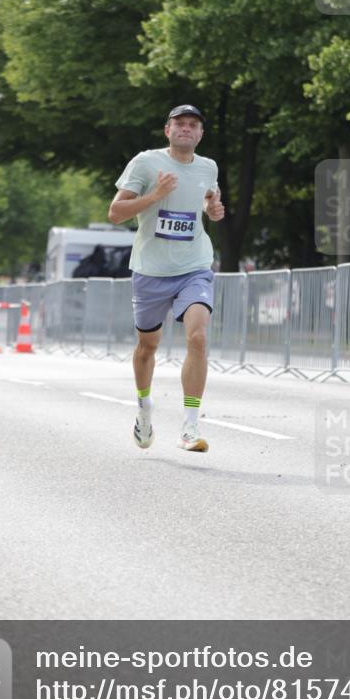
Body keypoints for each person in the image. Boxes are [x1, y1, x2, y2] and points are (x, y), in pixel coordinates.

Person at [108, 104, 225, 452]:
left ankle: (190, 426)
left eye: (193, 125)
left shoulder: (208, 166)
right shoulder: (146, 162)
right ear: (167, 130)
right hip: (150, 270)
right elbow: (115, 213)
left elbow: (208, 198)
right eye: (180, 124)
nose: (186, 129)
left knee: (198, 337)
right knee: (148, 347)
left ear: (201, 134)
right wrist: (156, 196)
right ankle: (144, 408)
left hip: (194, 266)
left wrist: (212, 209)